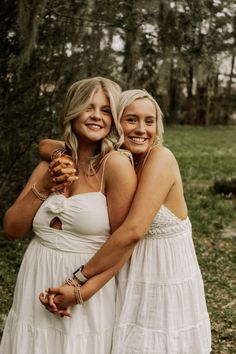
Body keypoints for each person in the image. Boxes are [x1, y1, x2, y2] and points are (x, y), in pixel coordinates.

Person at [39, 89, 212, 353]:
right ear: (115, 123)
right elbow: (45, 144)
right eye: (131, 119)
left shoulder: (160, 158)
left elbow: (132, 231)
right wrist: (56, 154)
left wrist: (79, 282)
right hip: (126, 269)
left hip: (163, 274)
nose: (141, 129)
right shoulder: (116, 160)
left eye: (149, 121)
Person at [0, 77, 137, 354]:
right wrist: (45, 185)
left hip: (86, 288)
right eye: (88, 107)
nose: (97, 116)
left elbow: (122, 245)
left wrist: (79, 291)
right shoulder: (50, 163)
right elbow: (12, 229)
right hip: (35, 278)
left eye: (106, 110)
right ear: (72, 111)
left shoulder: (116, 166)